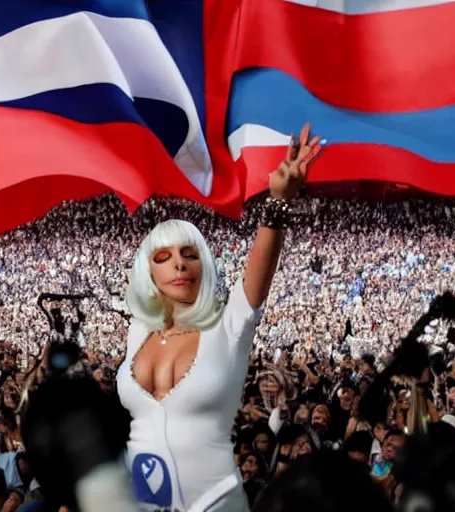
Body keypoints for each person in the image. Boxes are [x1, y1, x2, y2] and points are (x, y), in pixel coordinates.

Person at [116, 123, 324, 511]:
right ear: (149, 274)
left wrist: (278, 203)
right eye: (163, 258)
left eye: (189, 254)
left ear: (204, 265)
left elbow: (256, 281)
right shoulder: (139, 332)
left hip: (214, 503)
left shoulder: (227, 326)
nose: (179, 264)